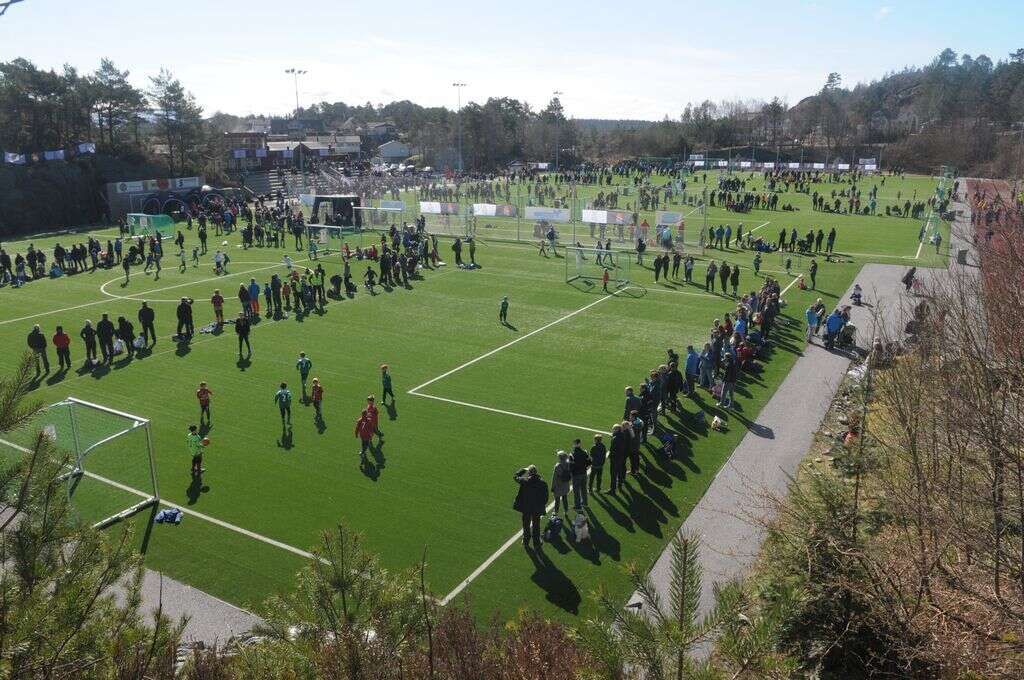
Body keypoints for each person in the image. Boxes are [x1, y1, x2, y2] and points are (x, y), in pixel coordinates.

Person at [513, 465, 549, 548]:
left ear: (529, 473)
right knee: (536, 525)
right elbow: (546, 497)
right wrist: (541, 504)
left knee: (526, 524)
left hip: (526, 508)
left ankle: (526, 540)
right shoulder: (543, 483)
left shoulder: (525, 481)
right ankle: (536, 542)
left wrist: (522, 470)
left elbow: (515, 477)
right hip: (537, 508)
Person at [569, 439, 590, 509]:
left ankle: (577, 506)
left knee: (576, 491)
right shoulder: (585, 452)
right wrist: (584, 467)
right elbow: (589, 462)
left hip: (576, 475)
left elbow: (571, 467)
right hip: (584, 473)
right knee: (584, 489)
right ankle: (585, 503)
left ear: (574, 444)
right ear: (580, 444)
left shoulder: (572, 454)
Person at [608, 423, 628, 494]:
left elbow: (612, 449)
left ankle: (612, 489)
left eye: (613, 429)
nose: (612, 430)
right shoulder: (623, 435)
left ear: (616, 430)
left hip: (615, 458)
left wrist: (610, 456)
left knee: (613, 474)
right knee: (620, 472)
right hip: (621, 457)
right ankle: (620, 485)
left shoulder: (615, 438)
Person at [550, 450, 571, 515]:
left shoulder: (557, 466)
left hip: (558, 485)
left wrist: (552, 487)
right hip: (566, 485)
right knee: (565, 498)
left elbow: (554, 478)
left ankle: (556, 512)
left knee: (557, 500)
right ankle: (566, 511)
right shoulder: (568, 464)